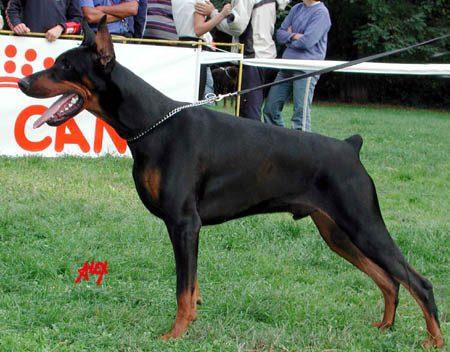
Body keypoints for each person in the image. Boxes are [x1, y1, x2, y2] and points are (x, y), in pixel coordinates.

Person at [196, 0, 290, 121]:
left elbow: (236, 27)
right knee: (264, 113)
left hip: (251, 59)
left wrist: (213, 13)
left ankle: (252, 140)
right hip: (268, 57)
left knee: (248, 116)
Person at [263, 0, 331, 132]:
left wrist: (289, 38)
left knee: (300, 115)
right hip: (287, 65)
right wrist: (295, 36)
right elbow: (280, 34)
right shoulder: (296, 8)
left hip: (306, 69)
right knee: (270, 109)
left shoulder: (321, 13)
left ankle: (303, 150)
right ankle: (281, 144)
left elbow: (308, 42)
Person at [6, 0, 82, 41]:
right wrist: (17, 24)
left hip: (58, 45)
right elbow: (11, 10)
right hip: (27, 42)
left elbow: (77, 21)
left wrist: (61, 28)